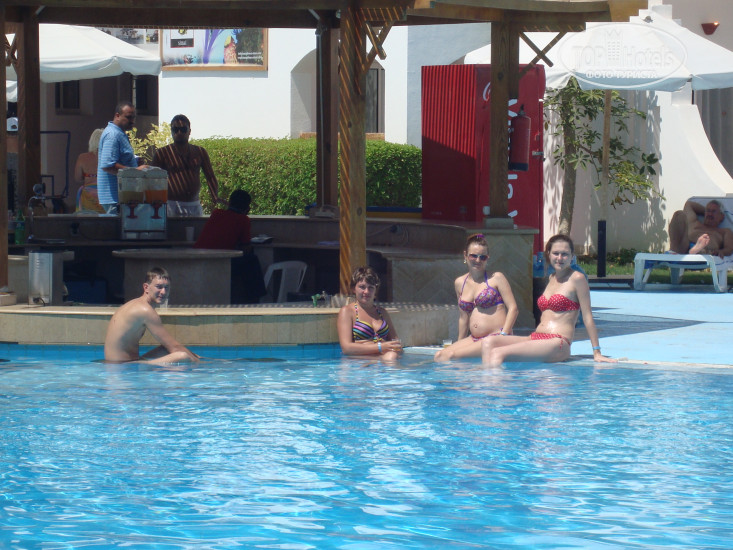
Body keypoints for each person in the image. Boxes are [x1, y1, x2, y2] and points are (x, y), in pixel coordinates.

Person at [481, 234, 616, 367]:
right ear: (549, 254)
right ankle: (486, 376)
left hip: (558, 342)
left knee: (498, 353)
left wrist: (597, 352)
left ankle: (490, 380)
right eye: (556, 253)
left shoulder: (577, 278)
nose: (560, 258)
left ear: (572, 256)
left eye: (565, 254)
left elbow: (587, 317)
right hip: (536, 337)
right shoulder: (551, 278)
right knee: (488, 342)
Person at [434, 233, 518, 361]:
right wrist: (459, 343)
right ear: (465, 255)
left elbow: (513, 309)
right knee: (439, 356)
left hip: (496, 337)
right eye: (473, 256)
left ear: (487, 258)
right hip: (474, 339)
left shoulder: (496, 278)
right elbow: (463, 318)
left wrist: (504, 335)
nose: (478, 260)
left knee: (451, 356)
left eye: (483, 257)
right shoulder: (460, 283)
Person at [104, 267, 199, 364]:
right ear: (146, 287)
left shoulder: (136, 304)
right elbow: (175, 347)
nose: (163, 292)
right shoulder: (145, 310)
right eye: (159, 287)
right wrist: (200, 364)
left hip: (120, 364)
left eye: (166, 287)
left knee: (166, 349)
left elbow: (171, 346)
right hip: (123, 366)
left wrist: (197, 357)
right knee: (183, 356)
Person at [194, 189, 266, 303]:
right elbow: (246, 248)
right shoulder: (243, 220)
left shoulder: (216, 213)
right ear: (247, 208)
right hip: (219, 261)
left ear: (230, 202)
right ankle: (255, 298)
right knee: (252, 260)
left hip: (199, 258)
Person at [152, 114, 222, 217]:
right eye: (175, 129)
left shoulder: (200, 152)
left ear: (189, 131)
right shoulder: (162, 153)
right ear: (171, 131)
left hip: (194, 205)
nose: (179, 132)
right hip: (171, 205)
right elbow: (153, 179)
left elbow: (210, 176)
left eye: (183, 129)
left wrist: (214, 195)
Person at [337, 266, 402, 361]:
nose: (366, 292)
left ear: (375, 290)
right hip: (360, 362)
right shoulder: (347, 312)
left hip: (383, 359)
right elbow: (346, 348)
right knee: (390, 357)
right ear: (353, 289)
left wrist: (395, 349)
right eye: (362, 287)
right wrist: (380, 347)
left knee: (392, 356)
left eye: (371, 287)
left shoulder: (382, 313)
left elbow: (395, 342)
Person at [97, 101, 150, 214]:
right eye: (129, 117)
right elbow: (108, 166)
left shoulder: (119, 133)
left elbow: (119, 158)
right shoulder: (113, 135)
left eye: (134, 118)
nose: (132, 121)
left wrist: (134, 161)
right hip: (115, 199)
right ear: (117, 115)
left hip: (122, 197)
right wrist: (136, 171)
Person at [668, 199, 733, 258]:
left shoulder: (724, 231)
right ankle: (689, 251)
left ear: (722, 216)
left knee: (703, 249)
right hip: (683, 248)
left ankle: (695, 250)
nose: (710, 214)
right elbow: (688, 204)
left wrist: (721, 252)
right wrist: (706, 212)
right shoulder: (694, 222)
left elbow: (729, 249)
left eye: (713, 211)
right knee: (679, 214)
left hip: (704, 252)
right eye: (708, 211)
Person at [72, 128, 105, 213]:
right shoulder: (110, 157)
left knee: (87, 218)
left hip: (88, 195)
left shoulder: (82, 157)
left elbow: (78, 178)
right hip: (106, 194)